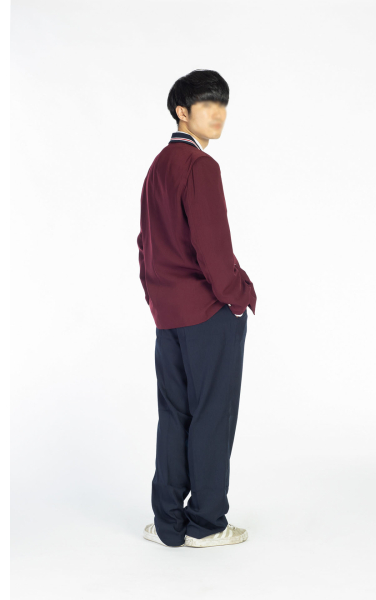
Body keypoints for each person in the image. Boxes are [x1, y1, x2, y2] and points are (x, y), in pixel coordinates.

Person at [137, 69, 257, 548]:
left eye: (222, 104)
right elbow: (213, 248)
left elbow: (146, 243)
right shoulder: (199, 165)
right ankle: (206, 524)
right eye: (208, 104)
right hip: (208, 312)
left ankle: (168, 523)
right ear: (182, 112)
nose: (219, 114)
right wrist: (238, 296)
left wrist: (156, 298)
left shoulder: (158, 165)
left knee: (175, 415)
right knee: (212, 415)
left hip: (168, 314)